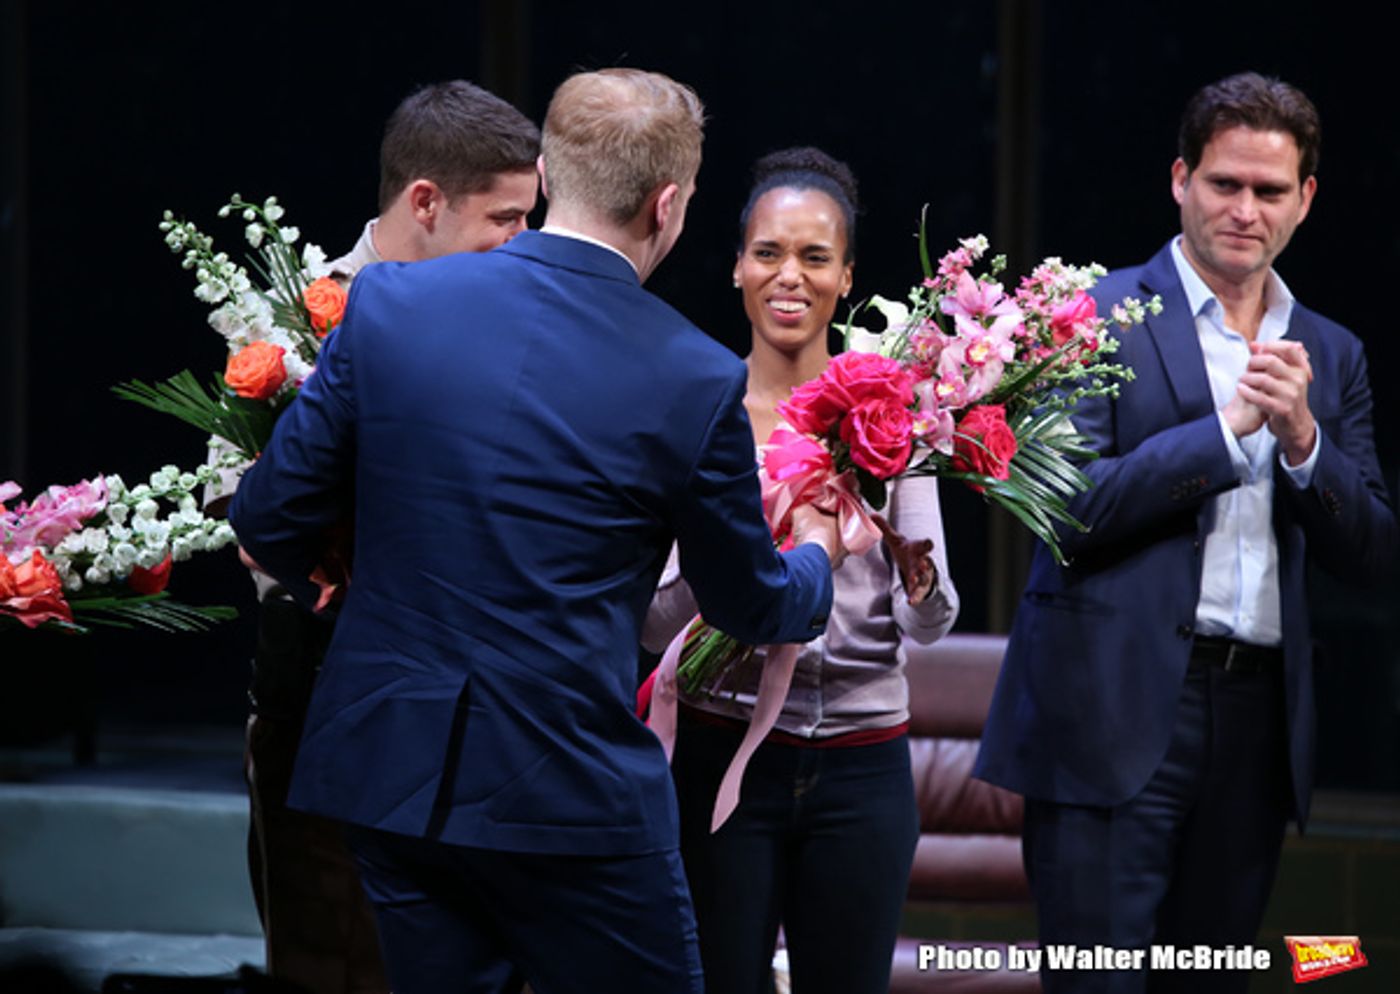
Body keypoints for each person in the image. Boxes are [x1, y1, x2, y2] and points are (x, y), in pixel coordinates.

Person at [229, 68, 843, 994]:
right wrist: (819, 558)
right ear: (668, 205)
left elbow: (269, 524)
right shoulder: (692, 374)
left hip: (395, 779)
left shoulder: (391, 305)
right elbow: (749, 602)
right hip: (567, 797)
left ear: (549, 175)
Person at [975, 72, 1398, 992]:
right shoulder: (1090, 317)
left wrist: (1302, 444)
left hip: (1257, 722)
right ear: (1180, 180)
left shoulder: (1331, 353)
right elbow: (1064, 509)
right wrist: (1224, 433)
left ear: (1306, 200)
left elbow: (1371, 553)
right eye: (1224, 184)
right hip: (1111, 712)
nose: (1245, 210)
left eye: (1270, 191)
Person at [224, 79, 540, 994]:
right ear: (426, 202)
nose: (523, 244)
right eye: (506, 218)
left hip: (482, 711)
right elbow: (256, 529)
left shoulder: (514, 316)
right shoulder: (288, 337)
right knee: (331, 964)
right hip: (323, 695)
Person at [643, 147, 959, 994]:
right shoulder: (693, 411)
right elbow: (650, 626)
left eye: (816, 257)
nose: (791, 277)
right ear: (739, 266)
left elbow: (932, 624)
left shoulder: (895, 417)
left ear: (848, 275)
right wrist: (737, 546)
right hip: (718, 752)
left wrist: (918, 575)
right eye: (770, 253)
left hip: (865, 763)